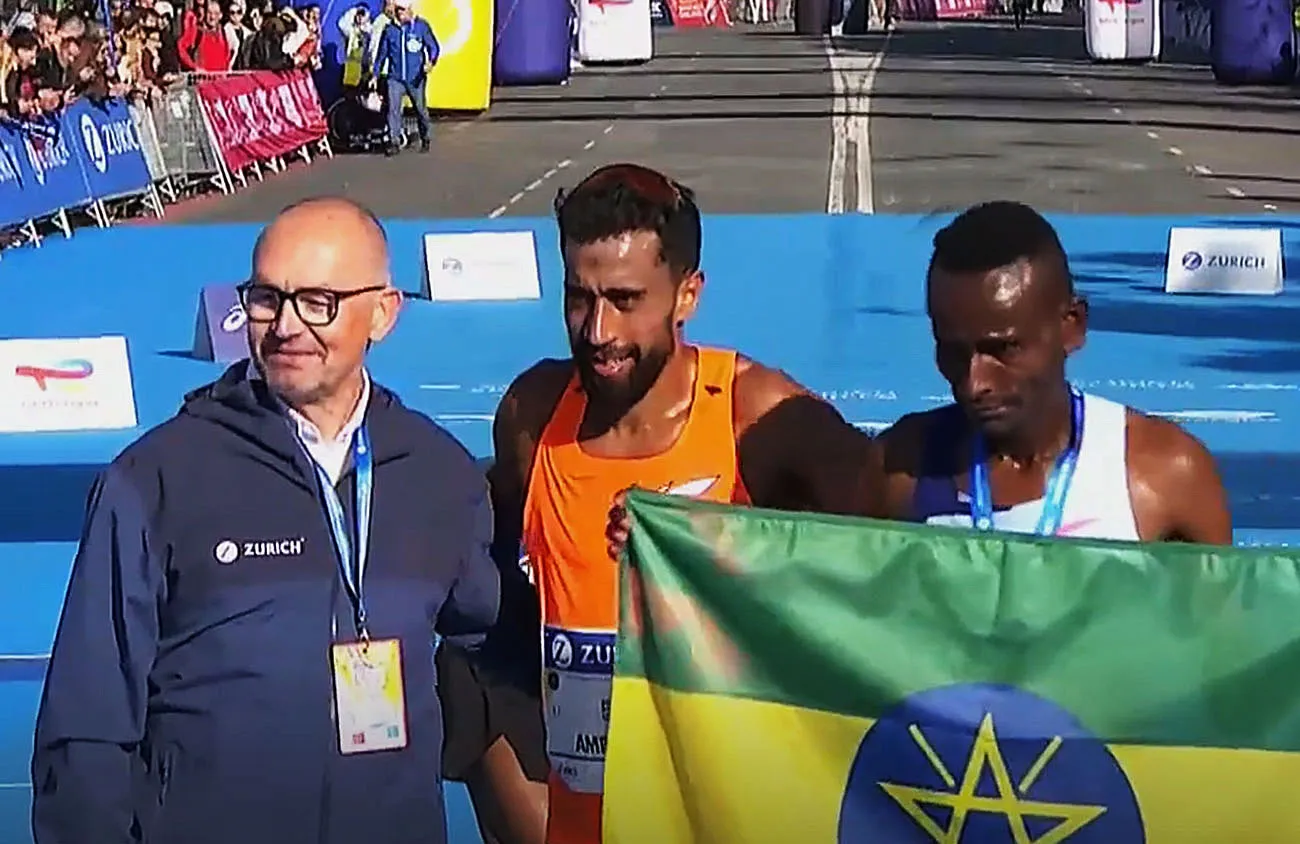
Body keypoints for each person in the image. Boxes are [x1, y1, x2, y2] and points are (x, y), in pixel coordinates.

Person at [437, 163, 885, 844]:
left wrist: (727, 547)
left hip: (723, 815)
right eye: (579, 298)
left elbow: (890, 561)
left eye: (625, 300)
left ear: (687, 295)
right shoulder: (533, 415)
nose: (598, 331)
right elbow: (496, 588)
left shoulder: (756, 416)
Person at [31, 197, 502, 844]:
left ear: (384, 313)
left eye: (317, 302)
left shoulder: (438, 473)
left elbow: (492, 651)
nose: (285, 326)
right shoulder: (157, 478)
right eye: (266, 299)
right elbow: (87, 723)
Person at [878, 200, 1232, 544]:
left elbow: (1220, 587)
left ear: (1071, 327)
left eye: (1004, 349)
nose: (975, 384)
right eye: (953, 351)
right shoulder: (900, 465)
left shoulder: (1167, 474)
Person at [369, 0, 437, 156]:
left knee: (420, 110)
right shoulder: (390, 30)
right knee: (393, 110)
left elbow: (433, 47)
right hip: (395, 78)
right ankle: (394, 141)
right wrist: (375, 75)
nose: (400, 13)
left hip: (415, 78)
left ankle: (425, 137)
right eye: (398, 10)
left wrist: (431, 62)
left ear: (410, 10)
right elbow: (382, 55)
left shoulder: (421, 27)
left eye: (403, 10)